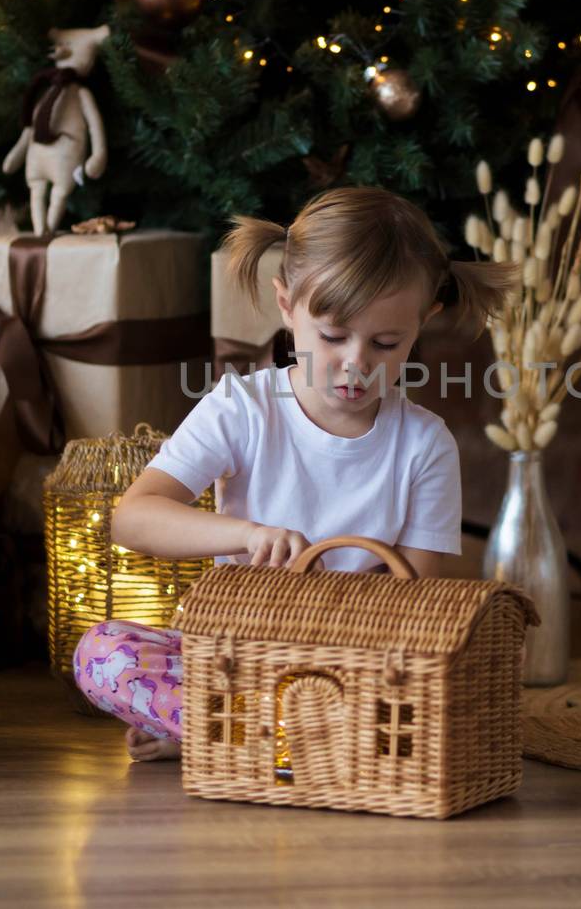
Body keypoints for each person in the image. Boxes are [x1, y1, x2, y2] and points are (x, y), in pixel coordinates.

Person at [72, 186, 518, 759]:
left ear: (423, 322)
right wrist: (246, 535)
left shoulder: (424, 444)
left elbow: (418, 598)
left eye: (386, 343)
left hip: (352, 669)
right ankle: (266, 733)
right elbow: (132, 518)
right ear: (287, 307)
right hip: (236, 658)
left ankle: (230, 734)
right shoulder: (242, 409)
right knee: (104, 653)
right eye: (332, 336)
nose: (356, 363)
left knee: (431, 686)